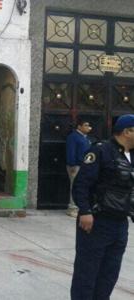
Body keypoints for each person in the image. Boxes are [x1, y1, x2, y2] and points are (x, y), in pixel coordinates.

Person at [70, 114, 134, 299]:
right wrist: (85, 211)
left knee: (109, 274)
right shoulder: (101, 151)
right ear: (127, 132)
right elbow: (81, 184)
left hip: (120, 224)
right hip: (96, 222)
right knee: (87, 274)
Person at [66, 118, 92, 217]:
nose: (88, 127)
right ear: (79, 126)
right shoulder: (73, 137)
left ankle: (80, 207)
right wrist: (72, 164)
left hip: (84, 166)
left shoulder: (86, 138)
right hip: (75, 166)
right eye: (85, 125)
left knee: (81, 187)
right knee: (75, 186)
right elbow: (71, 151)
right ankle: (72, 208)